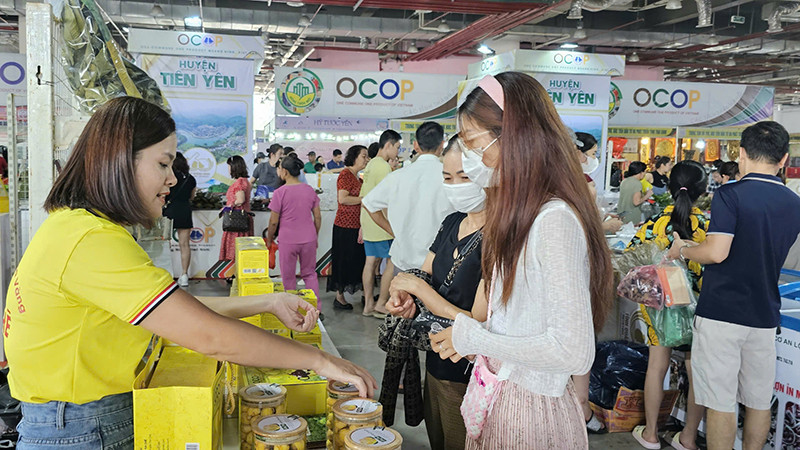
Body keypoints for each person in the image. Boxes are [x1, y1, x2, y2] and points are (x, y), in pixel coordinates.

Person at [3, 97, 376, 449]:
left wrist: (268, 301)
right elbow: (208, 335)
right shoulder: (92, 241)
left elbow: (178, 313)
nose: (172, 179)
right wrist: (320, 361)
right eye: (163, 164)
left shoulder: (74, 227)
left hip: (78, 419)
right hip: (84, 428)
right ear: (119, 161)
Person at [428, 72, 613, 449]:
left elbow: (573, 351)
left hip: (530, 415)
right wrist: (474, 339)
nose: (471, 159)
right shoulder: (518, 217)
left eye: (473, 143)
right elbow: (518, 323)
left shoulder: (553, 220)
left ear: (513, 136)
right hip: (500, 396)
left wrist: (477, 338)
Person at [668, 121, 800, 450]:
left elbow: (716, 252)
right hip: (764, 314)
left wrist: (682, 250)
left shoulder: (730, 195)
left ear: (741, 153)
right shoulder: (793, 202)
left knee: (720, 402)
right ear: (784, 159)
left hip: (722, 313)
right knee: (758, 401)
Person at [387, 138, 487, 450]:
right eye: (448, 177)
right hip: (435, 357)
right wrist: (407, 299)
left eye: (464, 177)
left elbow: (477, 321)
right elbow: (426, 274)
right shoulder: (452, 221)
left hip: (469, 370)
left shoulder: (500, 238)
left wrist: (419, 289)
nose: (456, 186)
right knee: (437, 437)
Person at [627, 161, 709, 450]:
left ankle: (651, 434)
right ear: (703, 191)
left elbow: (632, 258)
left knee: (656, 367)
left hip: (661, 309)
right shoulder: (710, 227)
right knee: (695, 372)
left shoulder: (655, 223)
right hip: (699, 310)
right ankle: (688, 438)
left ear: (670, 188)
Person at [363, 121, 455, 275]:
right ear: (442, 144)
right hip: (441, 261)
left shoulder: (397, 176)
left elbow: (368, 204)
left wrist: (392, 231)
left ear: (416, 145)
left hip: (404, 260)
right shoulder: (450, 177)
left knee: (401, 290)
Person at [265, 155, 322, 301]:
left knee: (288, 277)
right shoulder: (309, 190)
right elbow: (317, 217)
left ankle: (291, 308)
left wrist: (269, 239)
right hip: (308, 239)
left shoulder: (279, 193)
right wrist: (314, 235)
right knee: (310, 275)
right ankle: (315, 308)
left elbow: (273, 222)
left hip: (288, 240)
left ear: (285, 171)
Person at [359, 130, 401, 318]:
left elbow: (365, 196)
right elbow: (385, 201)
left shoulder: (371, 165)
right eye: (397, 147)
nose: (397, 152)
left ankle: (369, 304)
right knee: (392, 260)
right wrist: (391, 225)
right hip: (380, 222)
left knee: (371, 262)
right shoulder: (383, 167)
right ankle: (381, 304)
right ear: (389, 145)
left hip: (368, 219)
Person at [327, 145, 369, 310]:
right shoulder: (345, 174)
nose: (366, 160)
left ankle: (363, 294)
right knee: (343, 261)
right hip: (344, 226)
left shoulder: (358, 178)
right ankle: (339, 297)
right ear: (354, 157)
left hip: (356, 226)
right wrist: (363, 199)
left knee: (357, 261)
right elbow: (343, 199)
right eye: (363, 156)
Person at [163, 152, 197, 287]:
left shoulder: (168, 177)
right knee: (184, 245)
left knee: (165, 244)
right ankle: (184, 275)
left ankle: (166, 274)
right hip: (184, 211)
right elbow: (192, 197)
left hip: (168, 211)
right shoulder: (191, 179)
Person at [219, 155, 253, 262]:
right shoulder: (245, 181)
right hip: (243, 219)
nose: (228, 169)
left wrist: (229, 206)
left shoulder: (239, 182)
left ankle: (233, 270)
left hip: (236, 220)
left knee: (234, 250)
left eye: (229, 166)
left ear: (234, 167)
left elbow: (240, 200)